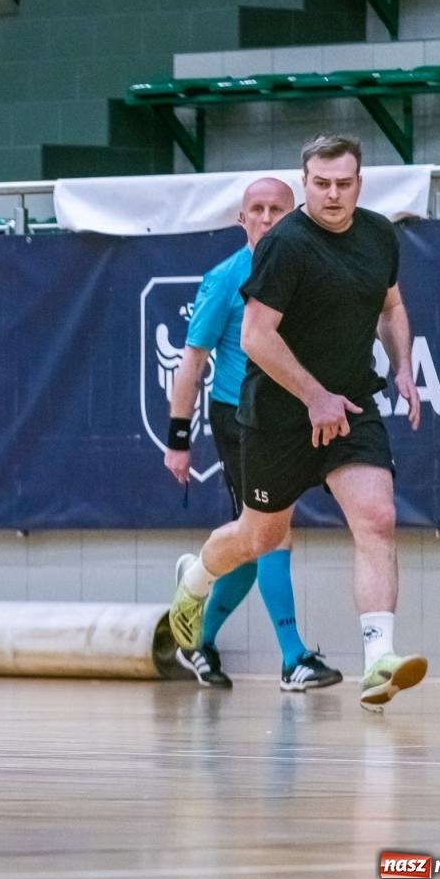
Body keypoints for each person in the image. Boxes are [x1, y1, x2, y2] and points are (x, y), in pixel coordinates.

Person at [168, 134, 425, 710]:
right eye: (321, 183)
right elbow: (256, 337)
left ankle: (378, 659)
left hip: (351, 406)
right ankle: (195, 579)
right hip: (281, 415)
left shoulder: (379, 234)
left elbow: (392, 306)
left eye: (345, 183)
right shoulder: (284, 246)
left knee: (377, 517)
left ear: (360, 182)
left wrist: (403, 365)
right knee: (259, 537)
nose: (333, 194)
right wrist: (313, 396)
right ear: (305, 182)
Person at [163, 177, 342, 691]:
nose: (266, 218)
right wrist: (179, 437)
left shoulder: (309, 270)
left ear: (297, 215)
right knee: (273, 532)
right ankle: (293, 659)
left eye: (277, 210)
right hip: (242, 419)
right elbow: (192, 360)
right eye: (257, 210)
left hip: (295, 418)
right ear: (242, 219)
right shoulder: (225, 278)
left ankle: (196, 637)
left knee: (249, 540)